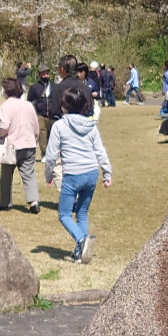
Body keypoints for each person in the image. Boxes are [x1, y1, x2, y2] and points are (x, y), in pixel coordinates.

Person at [44, 86, 112, 262]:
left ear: (64, 106)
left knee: (64, 214)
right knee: (82, 213)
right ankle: (80, 254)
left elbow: (51, 155)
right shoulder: (91, 126)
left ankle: (81, 240)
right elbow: (100, 151)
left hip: (73, 174)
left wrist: (48, 175)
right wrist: (107, 173)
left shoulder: (59, 125)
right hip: (91, 173)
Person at [0, 77, 41, 212]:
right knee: (29, 174)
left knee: (5, 176)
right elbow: (35, 125)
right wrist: (35, 138)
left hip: (12, 146)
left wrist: (0, 133)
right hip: (28, 144)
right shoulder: (28, 105)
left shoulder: (5, 106)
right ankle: (34, 201)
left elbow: (4, 126)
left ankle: (5, 202)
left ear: (6, 91)